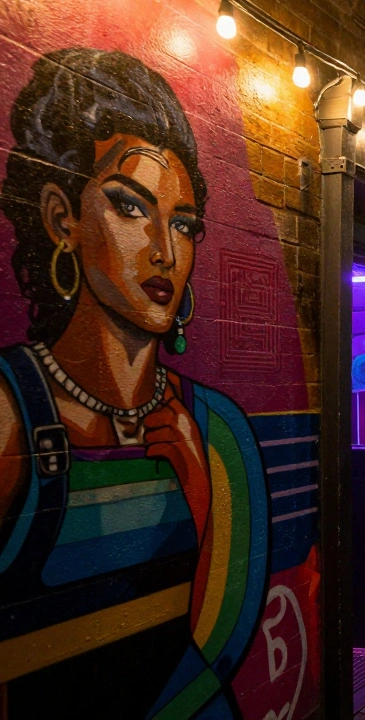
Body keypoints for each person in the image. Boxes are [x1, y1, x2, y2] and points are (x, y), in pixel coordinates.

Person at [0, 48, 268, 718]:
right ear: (62, 217)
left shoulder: (217, 428)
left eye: (182, 224)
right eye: (130, 207)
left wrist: (203, 498)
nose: (164, 249)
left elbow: (224, 642)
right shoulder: (12, 409)